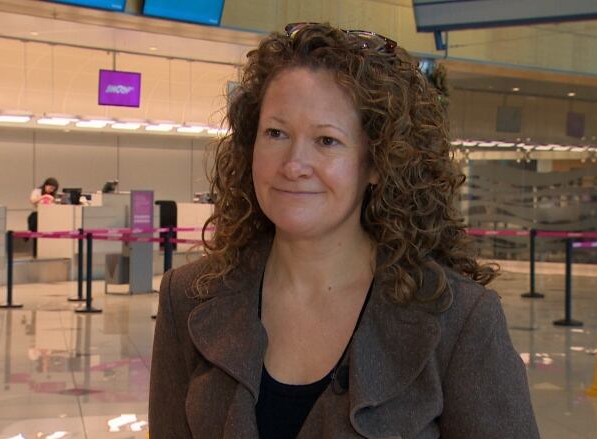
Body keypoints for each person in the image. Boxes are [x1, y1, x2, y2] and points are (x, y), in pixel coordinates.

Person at [148, 23, 539, 438]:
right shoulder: (188, 299)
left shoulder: (459, 321)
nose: (294, 164)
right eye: (276, 133)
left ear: (375, 163)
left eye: (327, 140)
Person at [27, 177, 58, 257]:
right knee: (35, 227)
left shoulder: (53, 195)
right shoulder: (37, 191)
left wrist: (53, 200)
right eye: (50, 188)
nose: (51, 190)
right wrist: (43, 197)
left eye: (53, 189)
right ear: (46, 185)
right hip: (38, 213)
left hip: (49, 216)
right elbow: (32, 200)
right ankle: (35, 252)